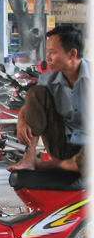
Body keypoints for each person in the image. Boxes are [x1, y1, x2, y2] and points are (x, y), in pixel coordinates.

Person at [7, 26, 88, 174]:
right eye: (48, 52)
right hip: (62, 145)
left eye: (53, 52)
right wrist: (21, 120)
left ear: (72, 54)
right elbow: (32, 105)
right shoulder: (48, 80)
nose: (47, 58)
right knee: (35, 92)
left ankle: (52, 165)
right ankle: (29, 159)